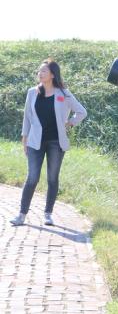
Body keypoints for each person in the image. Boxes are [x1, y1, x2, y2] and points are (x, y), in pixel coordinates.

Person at [10, 58, 87, 226]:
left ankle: (48, 214)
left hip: (56, 143)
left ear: (52, 74)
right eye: (39, 71)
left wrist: (70, 122)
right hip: (34, 142)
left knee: (52, 178)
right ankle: (21, 215)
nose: (40, 73)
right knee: (32, 178)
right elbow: (27, 118)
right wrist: (24, 138)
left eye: (43, 71)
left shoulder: (64, 94)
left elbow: (82, 112)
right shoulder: (32, 92)